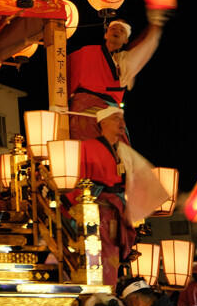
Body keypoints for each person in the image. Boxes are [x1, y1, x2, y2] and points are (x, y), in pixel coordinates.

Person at [69, 107, 167, 286]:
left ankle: (111, 289)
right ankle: (100, 290)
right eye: (116, 118)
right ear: (103, 123)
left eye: (122, 119)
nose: (122, 123)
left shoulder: (123, 151)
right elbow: (78, 180)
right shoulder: (87, 146)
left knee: (112, 253)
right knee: (99, 252)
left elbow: (143, 176)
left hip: (116, 209)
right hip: (97, 209)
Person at [68, 15, 166, 142]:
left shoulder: (125, 62)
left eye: (122, 30)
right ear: (106, 34)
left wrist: (155, 27)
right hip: (80, 112)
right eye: (113, 28)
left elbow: (144, 49)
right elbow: (62, 69)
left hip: (108, 114)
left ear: (126, 40)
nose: (117, 31)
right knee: (81, 152)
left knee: (116, 153)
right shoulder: (85, 53)